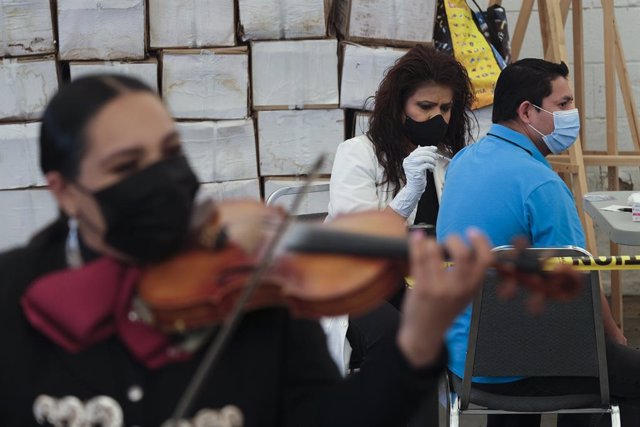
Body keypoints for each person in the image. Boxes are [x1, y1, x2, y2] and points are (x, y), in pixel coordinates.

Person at [0, 75, 494, 426]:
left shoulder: (253, 292)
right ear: (64, 191)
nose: (162, 178)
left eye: (170, 153)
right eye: (128, 164)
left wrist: (415, 346)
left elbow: (327, 417)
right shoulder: (14, 296)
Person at [437, 58, 640, 427]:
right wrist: (617, 340)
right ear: (527, 111)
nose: (572, 114)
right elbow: (581, 286)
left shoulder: (463, 162)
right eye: (563, 104)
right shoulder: (541, 186)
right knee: (617, 368)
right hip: (521, 366)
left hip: (463, 358)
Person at [324, 44, 476, 380]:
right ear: (397, 107)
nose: (437, 117)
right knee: (399, 340)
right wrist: (405, 199)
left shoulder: (446, 161)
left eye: (446, 107)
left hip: (422, 284)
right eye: (425, 106)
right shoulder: (357, 154)